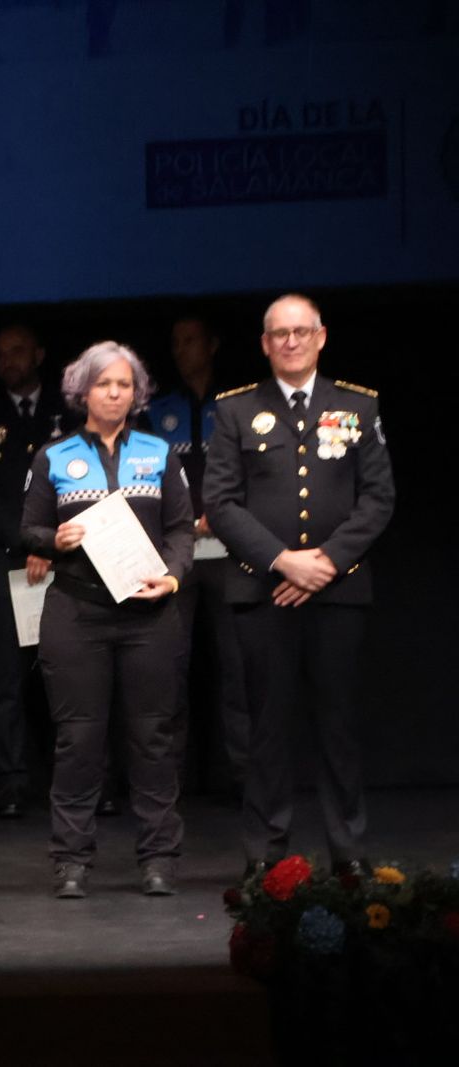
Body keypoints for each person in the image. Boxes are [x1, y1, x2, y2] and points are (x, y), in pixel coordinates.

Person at [204, 294, 394, 879]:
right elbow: (220, 503)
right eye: (278, 334)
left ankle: (349, 849)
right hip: (264, 592)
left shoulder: (357, 405)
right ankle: (265, 852)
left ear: (321, 337)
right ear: (264, 343)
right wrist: (285, 561)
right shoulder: (236, 411)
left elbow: (378, 497)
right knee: (268, 726)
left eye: (300, 332)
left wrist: (326, 562)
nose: (290, 341)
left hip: (338, 591)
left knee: (338, 724)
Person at [21, 342, 194, 899]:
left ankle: (159, 858)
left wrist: (171, 577)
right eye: (103, 385)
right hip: (78, 612)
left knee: (152, 740)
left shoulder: (159, 451)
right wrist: (55, 538)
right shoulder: (54, 455)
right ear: (83, 392)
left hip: (150, 615)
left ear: (137, 393)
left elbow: (182, 529)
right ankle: (71, 860)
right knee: (78, 741)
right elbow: (30, 529)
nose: (114, 393)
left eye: (124, 384)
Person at [0, 324, 73, 819]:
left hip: (65, 563)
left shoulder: (68, 410)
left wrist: (49, 543)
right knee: (4, 685)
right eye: (0, 353)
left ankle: (75, 780)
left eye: (17, 350)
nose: (8, 360)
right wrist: (27, 540)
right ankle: (9, 783)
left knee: (69, 680)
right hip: (1, 564)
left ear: (39, 353)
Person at [142, 316, 248, 796]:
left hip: (230, 550)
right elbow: (144, 479)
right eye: (176, 342)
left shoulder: (239, 403)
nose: (183, 350)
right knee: (171, 667)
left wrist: (223, 515)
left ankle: (243, 777)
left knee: (236, 667)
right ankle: (171, 780)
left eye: (191, 340)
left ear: (212, 343)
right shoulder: (158, 411)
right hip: (175, 554)